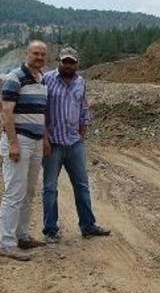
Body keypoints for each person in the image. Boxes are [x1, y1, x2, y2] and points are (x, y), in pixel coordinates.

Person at [41, 46, 110, 243]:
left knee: (82, 186)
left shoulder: (81, 82)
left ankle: (88, 226)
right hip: (53, 144)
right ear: (59, 61)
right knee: (50, 188)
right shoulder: (46, 80)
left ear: (76, 64)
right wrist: (44, 139)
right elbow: (40, 110)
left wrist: (82, 133)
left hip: (74, 144)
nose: (68, 65)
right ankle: (50, 230)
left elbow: (83, 108)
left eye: (71, 62)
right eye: (65, 61)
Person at [0, 40, 51, 261]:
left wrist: (44, 139)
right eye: (36, 53)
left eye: (43, 54)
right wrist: (13, 143)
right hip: (20, 140)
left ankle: (22, 235)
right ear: (27, 54)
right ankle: (6, 243)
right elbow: (7, 112)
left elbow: (40, 113)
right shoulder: (14, 78)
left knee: (29, 191)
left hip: (36, 142)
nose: (39, 57)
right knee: (14, 192)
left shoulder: (42, 80)